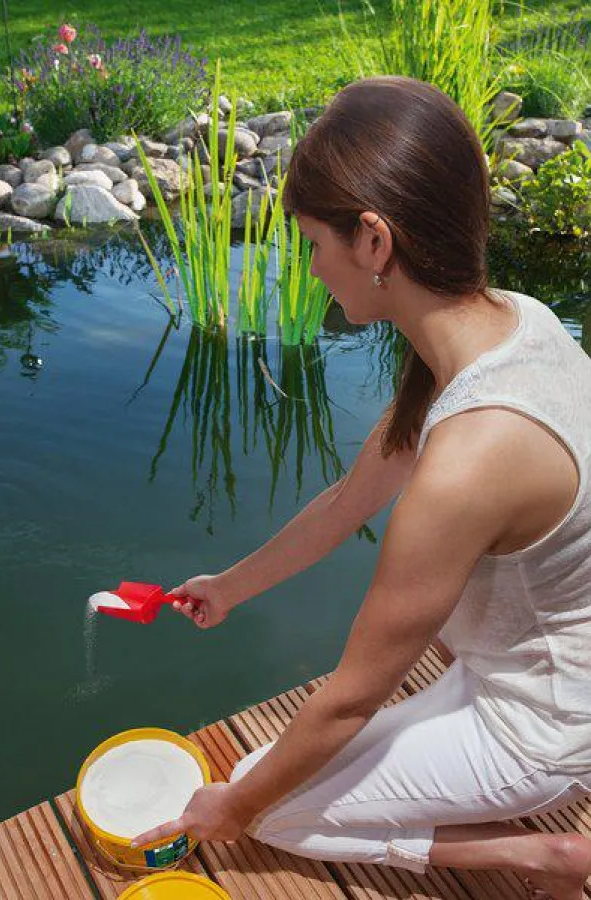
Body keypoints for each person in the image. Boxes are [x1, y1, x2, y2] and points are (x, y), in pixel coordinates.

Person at [132, 76, 591, 899]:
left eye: (314, 242)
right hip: (530, 665)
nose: (312, 271)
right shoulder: (508, 318)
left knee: (265, 808)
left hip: (541, 727)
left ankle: (539, 856)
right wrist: (230, 588)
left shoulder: (469, 460)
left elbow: (346, 700)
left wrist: (229, 810)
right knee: (266, 777)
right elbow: (351, 500)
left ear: (374, 241)